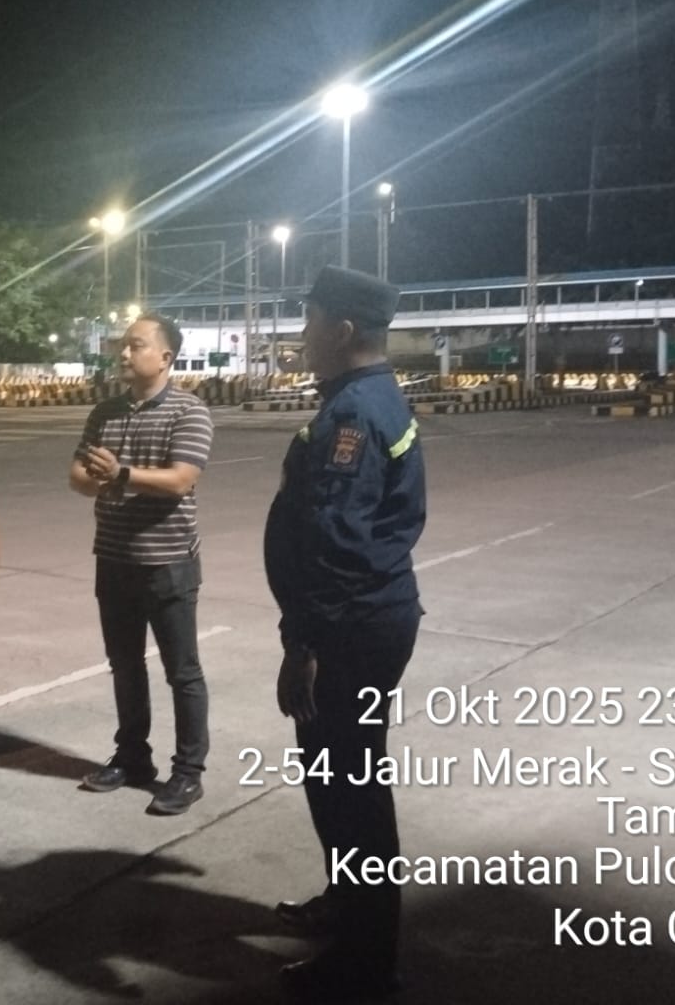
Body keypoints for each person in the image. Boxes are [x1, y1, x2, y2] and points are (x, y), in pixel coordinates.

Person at [264, 266, 426, 1001]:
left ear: (343, 330)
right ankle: (347, 902)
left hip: (348, 630)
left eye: (309, 320)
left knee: (352, 791)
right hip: (365, 619)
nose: (302, 335)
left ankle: (366, 958)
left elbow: (337, 544)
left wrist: (305, 648)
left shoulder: (353, 416)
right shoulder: (373, 397)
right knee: (335, 781)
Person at [69, 314, 213, 816]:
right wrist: (101, 478)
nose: (124, 354)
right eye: (123, 346)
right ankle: (132, 757)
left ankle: (188, 772)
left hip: (168, 563)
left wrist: (121, 474)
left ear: (166, 357)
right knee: (125, 665)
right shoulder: (105, 412)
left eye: (136, 345)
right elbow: (77, 476)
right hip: (113, 559)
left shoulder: (189, 411)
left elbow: (181, 479)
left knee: (182, 672)